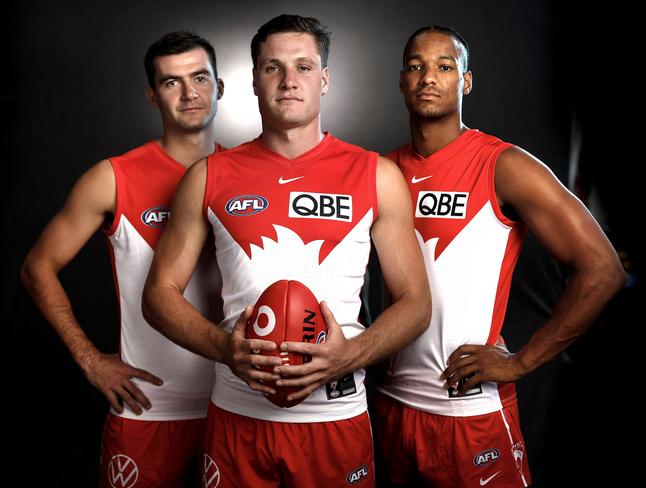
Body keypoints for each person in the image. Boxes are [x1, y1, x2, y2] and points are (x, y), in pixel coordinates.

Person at [142, 14, 431, 488]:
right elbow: (158, 295)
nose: (289, 80)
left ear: (325, 79)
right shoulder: (209, 175)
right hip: (237, 416)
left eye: (303, 66)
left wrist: (350, 355)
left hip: (335, 417)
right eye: (272, 67)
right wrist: (223, 348)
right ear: (254, 80)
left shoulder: (376, 175)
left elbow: (416, 304)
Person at [373, 26, 626, 488]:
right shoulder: (382, 172)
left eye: (445, 67)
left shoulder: (503, 165)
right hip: (391, 406)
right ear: (402, 81)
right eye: (416, 66)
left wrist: (520, 362)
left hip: (467, 414)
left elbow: (602, 270)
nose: (428, 77)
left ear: (465, 82)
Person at [20, 31, 225, 487]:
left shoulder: (247, 175)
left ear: (220, 86)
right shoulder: (113, 177)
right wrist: (89, 359)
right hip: (150, 410)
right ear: (152, 95)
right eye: (171, 82)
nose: (190, 93)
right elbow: (37, 266)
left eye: (200, 78)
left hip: (235, 408)